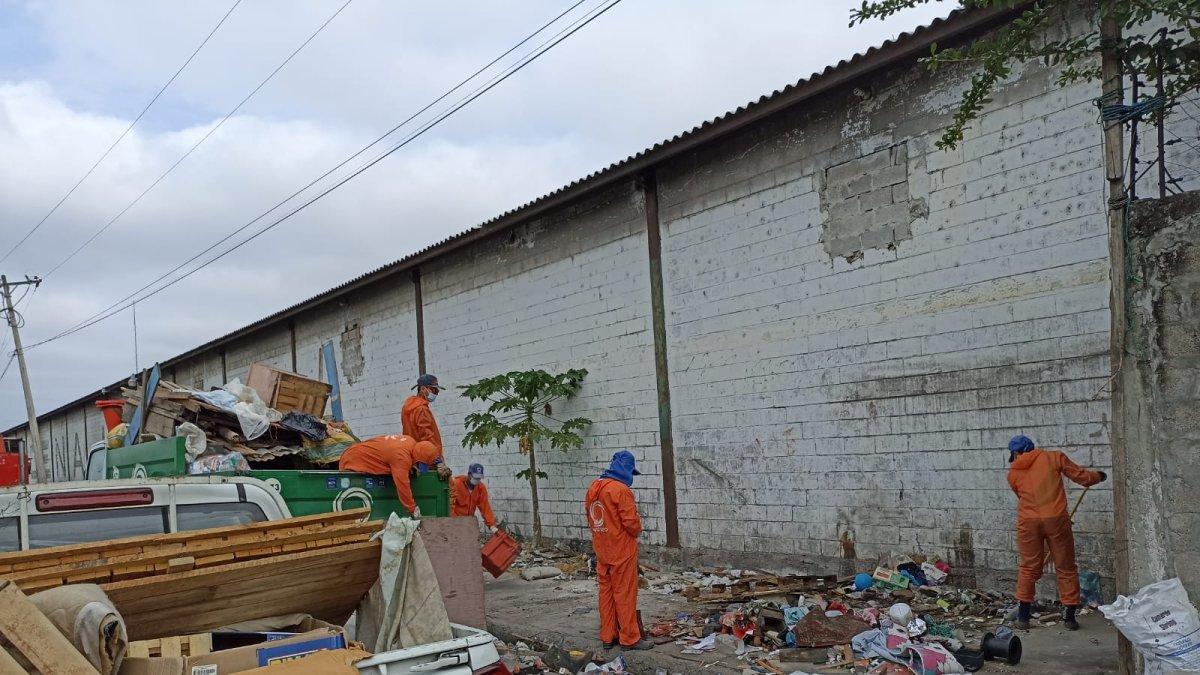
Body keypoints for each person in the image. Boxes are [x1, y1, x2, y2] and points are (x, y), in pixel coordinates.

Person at [1006, 435, 1106, 631]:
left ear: (1016, 453)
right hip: (1056, 520)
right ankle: (1069, 618)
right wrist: (1098, 476)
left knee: (1028, 567)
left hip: (1028, 522)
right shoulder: (1054, 457)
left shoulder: (1013, 473)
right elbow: (1081, 476)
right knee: (1065, 566)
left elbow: (1020, 495)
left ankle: (1024, 618)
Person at [585, 451, 652, 651]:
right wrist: (638, 529)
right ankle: (630, 638)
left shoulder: (594, 487)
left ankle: (608, 636)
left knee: (606, 592)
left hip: (602, 549)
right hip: (621, 550)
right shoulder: (620, 490)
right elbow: (631, 523)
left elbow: (590, 518)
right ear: (627, 469)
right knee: (624, 593)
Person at [338, 434, 440, 518]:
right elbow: (403, 486)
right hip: (352, 460)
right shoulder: (401, 457)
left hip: (355, 452)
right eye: (420, 464)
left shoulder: (410, 441)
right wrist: (413, 509)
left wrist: (410, 467)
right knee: (354, 506)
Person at [402, 374, 452, 479]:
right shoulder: (421, 409)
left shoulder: (408, 408)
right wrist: (438, 461)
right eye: (434, 390)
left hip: (414, 458)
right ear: (423, 389)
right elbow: (427, 436)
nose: (436, 393)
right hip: (428, 459)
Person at [450, 463, 498, 532]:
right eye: (475, 477)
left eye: (479, 478)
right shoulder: (456, 484)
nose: (477, 480)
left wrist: (492, 525)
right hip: (455, 522)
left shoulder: (480, 488)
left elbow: (485, 507)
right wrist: (454, 521)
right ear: (469, 475)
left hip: (469, 522)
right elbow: (450, 505)